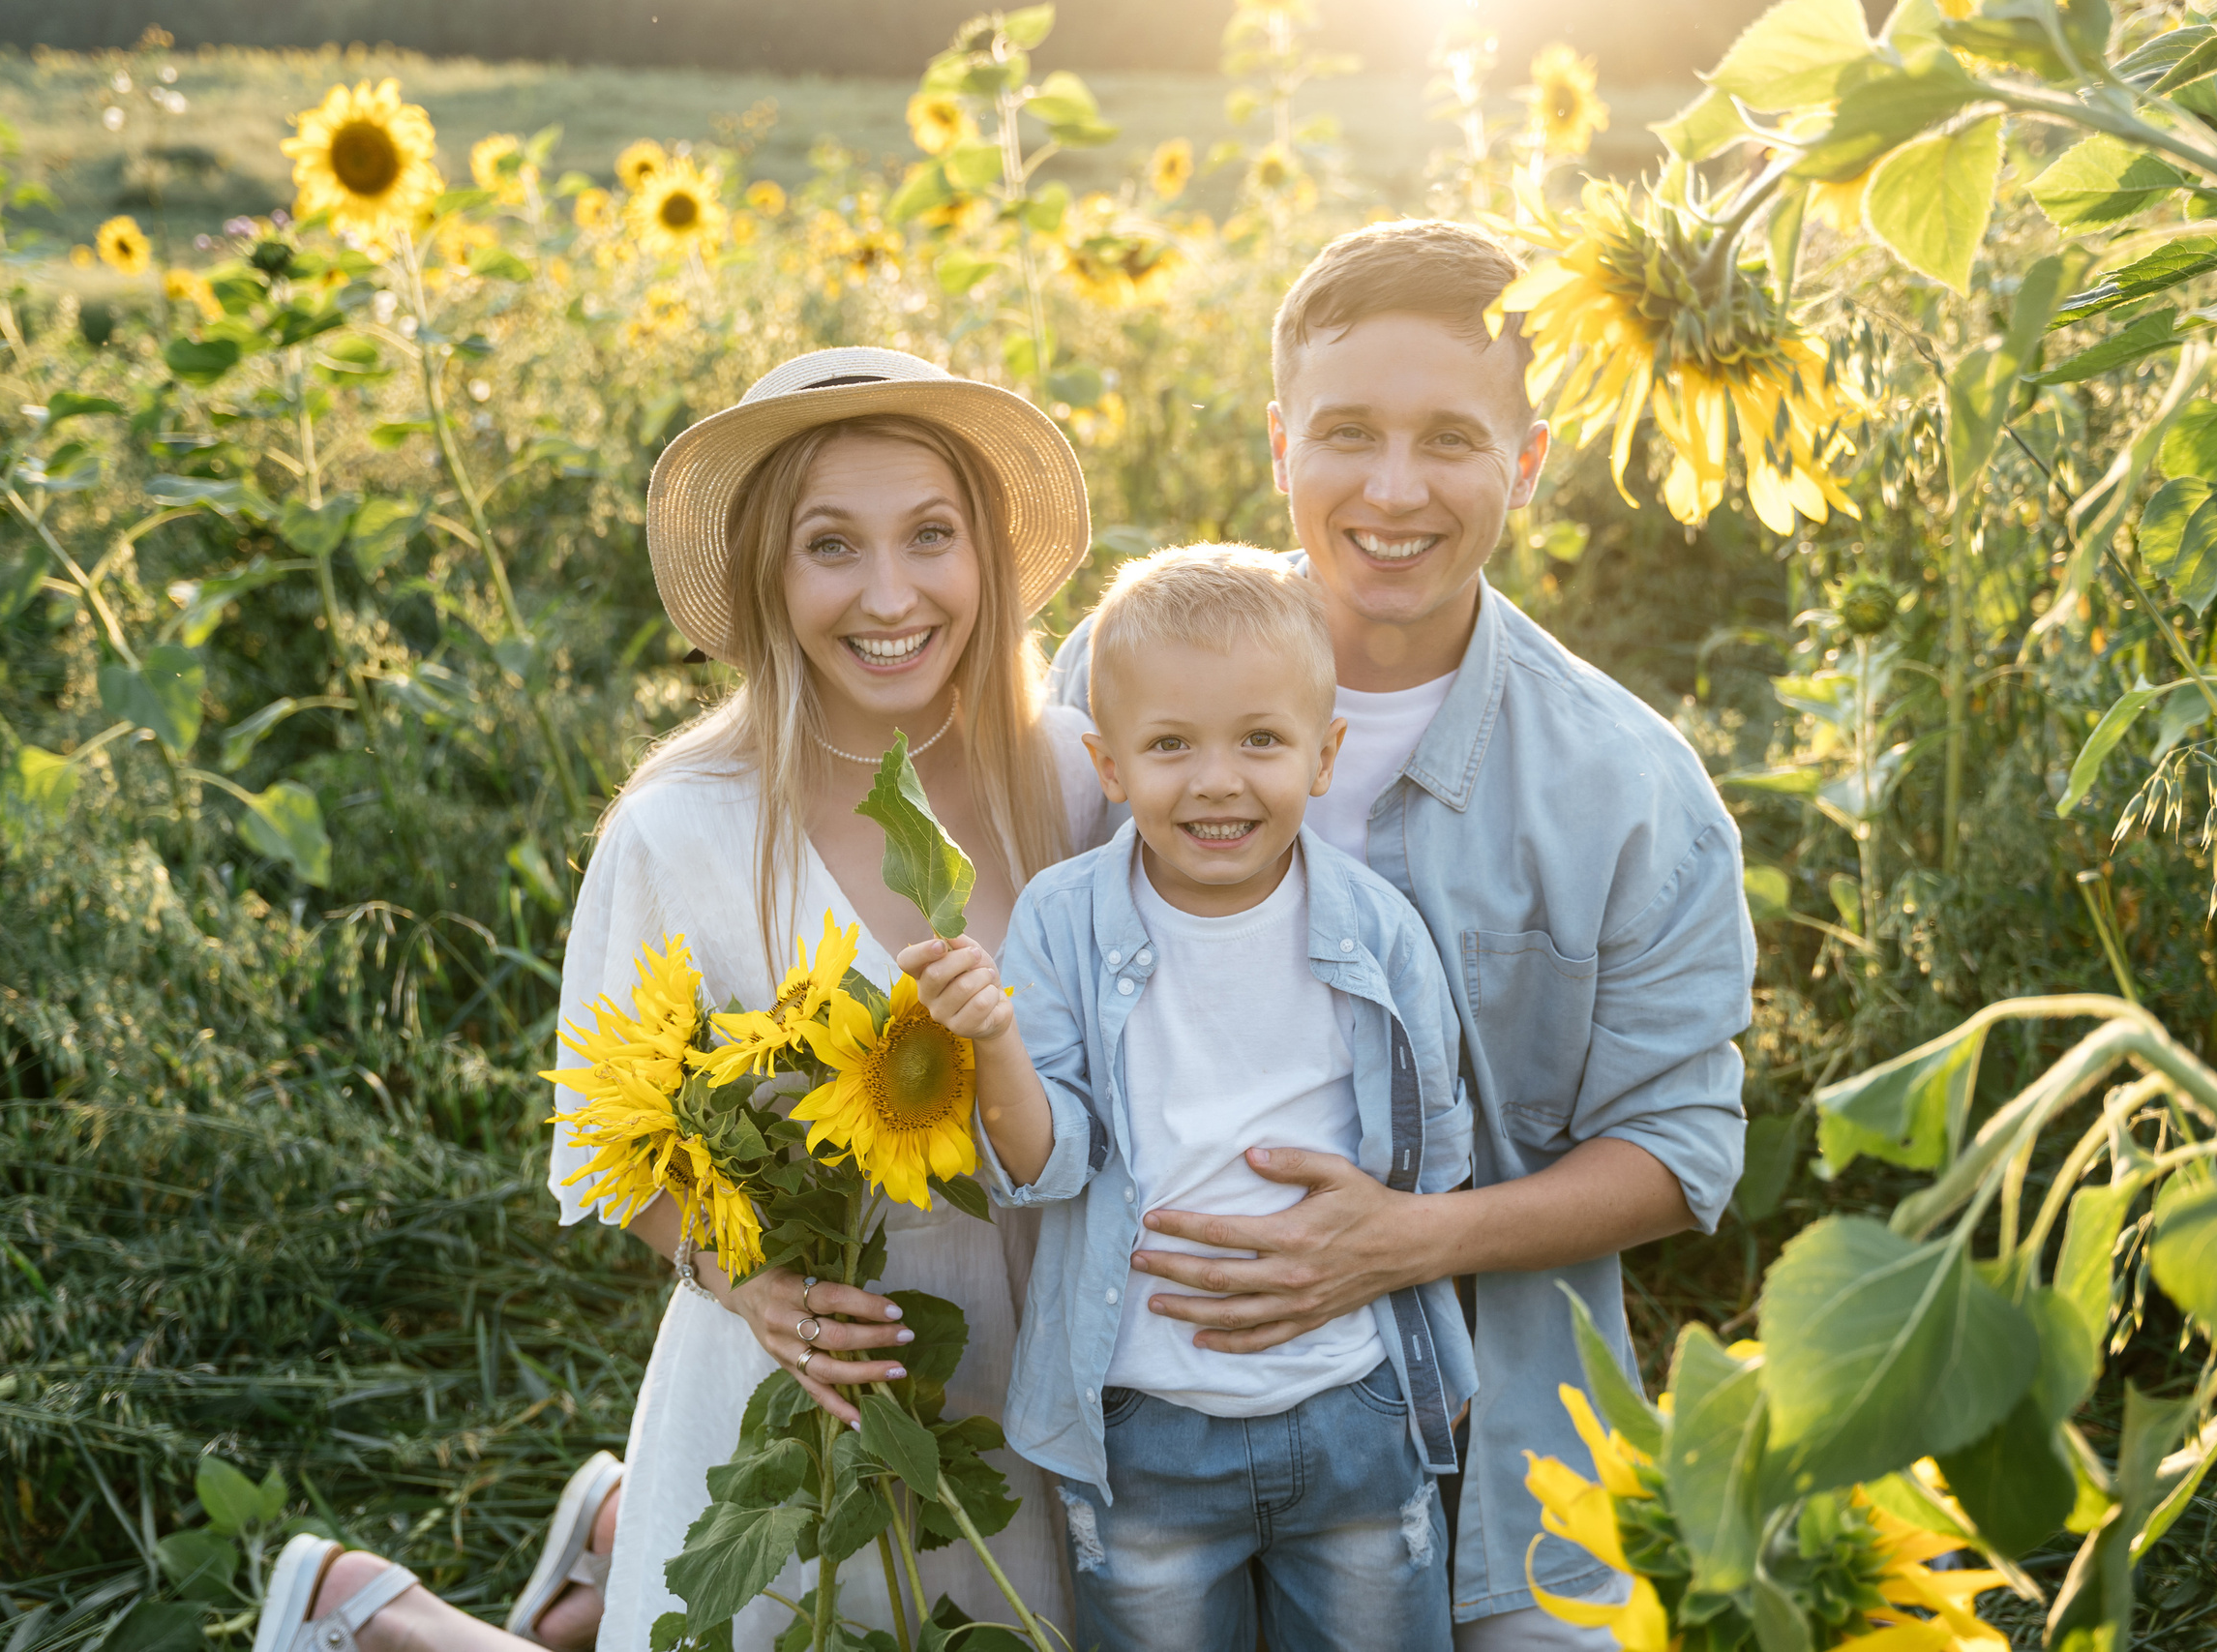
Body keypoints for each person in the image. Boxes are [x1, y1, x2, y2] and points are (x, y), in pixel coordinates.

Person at [252, 345, 1110, 1652]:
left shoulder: (1080, 780)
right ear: (767, 573)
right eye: (830, 544)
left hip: (1043, 1391)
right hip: (797, 1414)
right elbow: (609, 1148)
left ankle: (590, 1544)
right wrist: (751, 1281)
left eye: (931, 534)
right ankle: (372, 1614)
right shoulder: (684, 829)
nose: (891, 593)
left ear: (986, 554)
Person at [1046, 220, 1755, 1650]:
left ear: (1528, 461)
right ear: (1279, 445)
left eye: (1450, 440)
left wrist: (1408, 1242)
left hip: (1504, 1454)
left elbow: (1682, 1150)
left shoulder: (1627, 787)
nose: (1391, 488)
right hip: (1144, 1419)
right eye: (1347, 433)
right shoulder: (1114, 675)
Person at [900, 545, 1474, 1652]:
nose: (1216, 781)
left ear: (1323, 755)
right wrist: (994, 1041)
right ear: (1108, 765)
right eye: (1170, 745)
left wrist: (1426, 1364)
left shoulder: (1377, 930)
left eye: (1260, 740)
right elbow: (1042, 1166)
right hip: (1145, 1427)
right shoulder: (1066, 922)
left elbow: (1431, 1158)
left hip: (1353, 1403)